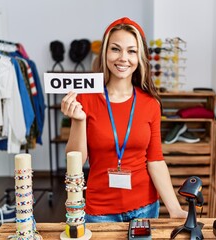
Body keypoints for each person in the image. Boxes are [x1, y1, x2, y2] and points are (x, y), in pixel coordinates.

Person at [61, 17, 187, 222]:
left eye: (131, 51)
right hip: (100, 211)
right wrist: (79, 120)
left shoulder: (150, 104)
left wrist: (174, 208)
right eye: (115, 49)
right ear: (105, 53)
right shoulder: (85, 98)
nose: (123, 58)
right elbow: (75, 162)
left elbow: (155, 160)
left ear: (140, 58)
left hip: (145, 208)